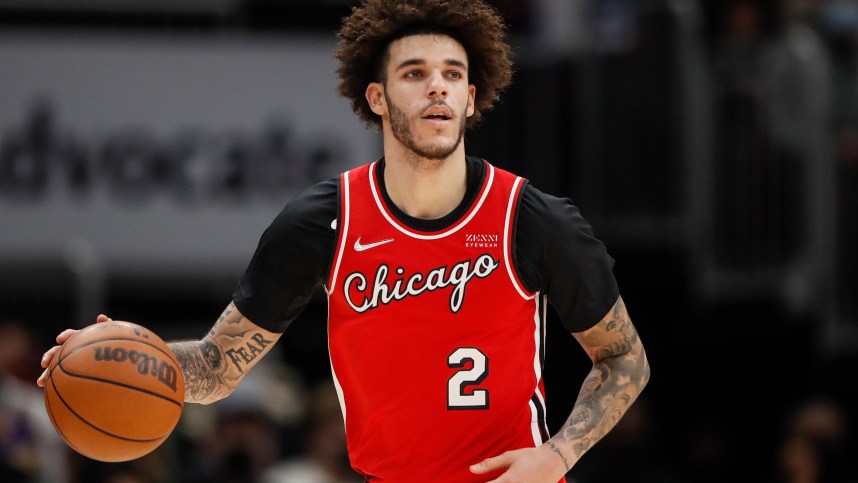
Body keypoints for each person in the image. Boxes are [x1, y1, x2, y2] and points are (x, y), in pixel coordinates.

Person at [37, 1, 650, 481]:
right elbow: (219, 367)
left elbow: (625, 358)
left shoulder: (532, 220)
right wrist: (121, 354)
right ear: (377, 97)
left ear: (471, 99)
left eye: (452, 75)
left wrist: (557, 456)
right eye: (415, 73)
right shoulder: (320, 222)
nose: (436, 87)